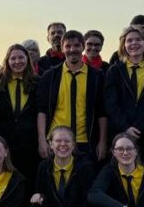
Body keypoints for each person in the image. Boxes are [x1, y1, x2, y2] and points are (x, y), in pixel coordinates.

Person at [0, 44, 38, 207]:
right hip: (3, 144)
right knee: (2, 188)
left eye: (21, 57)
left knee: (23, 189)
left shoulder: (36, 82)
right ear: (7, 61)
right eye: (13, 58)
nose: (17, 62)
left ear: (27, 60)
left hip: (29, 145)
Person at [37, 30, 108, 164]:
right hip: (57, 141)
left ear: (83, 47)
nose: (72, 50)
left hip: (85, 142)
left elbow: (102, 112)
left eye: (76, 45)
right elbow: (42, 111)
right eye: (68, 46)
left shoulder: (97, 76)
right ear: (62, 48)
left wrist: (102, 142)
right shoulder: (50, 76)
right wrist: (42, 140)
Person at [104, 26, 144, 177]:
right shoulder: (115, 71)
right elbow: (111, 103)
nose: (134, 43)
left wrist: (139, 128)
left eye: (138, 39)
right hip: (121, 137)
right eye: (129, 40)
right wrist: (126, 127)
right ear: (123, 45)